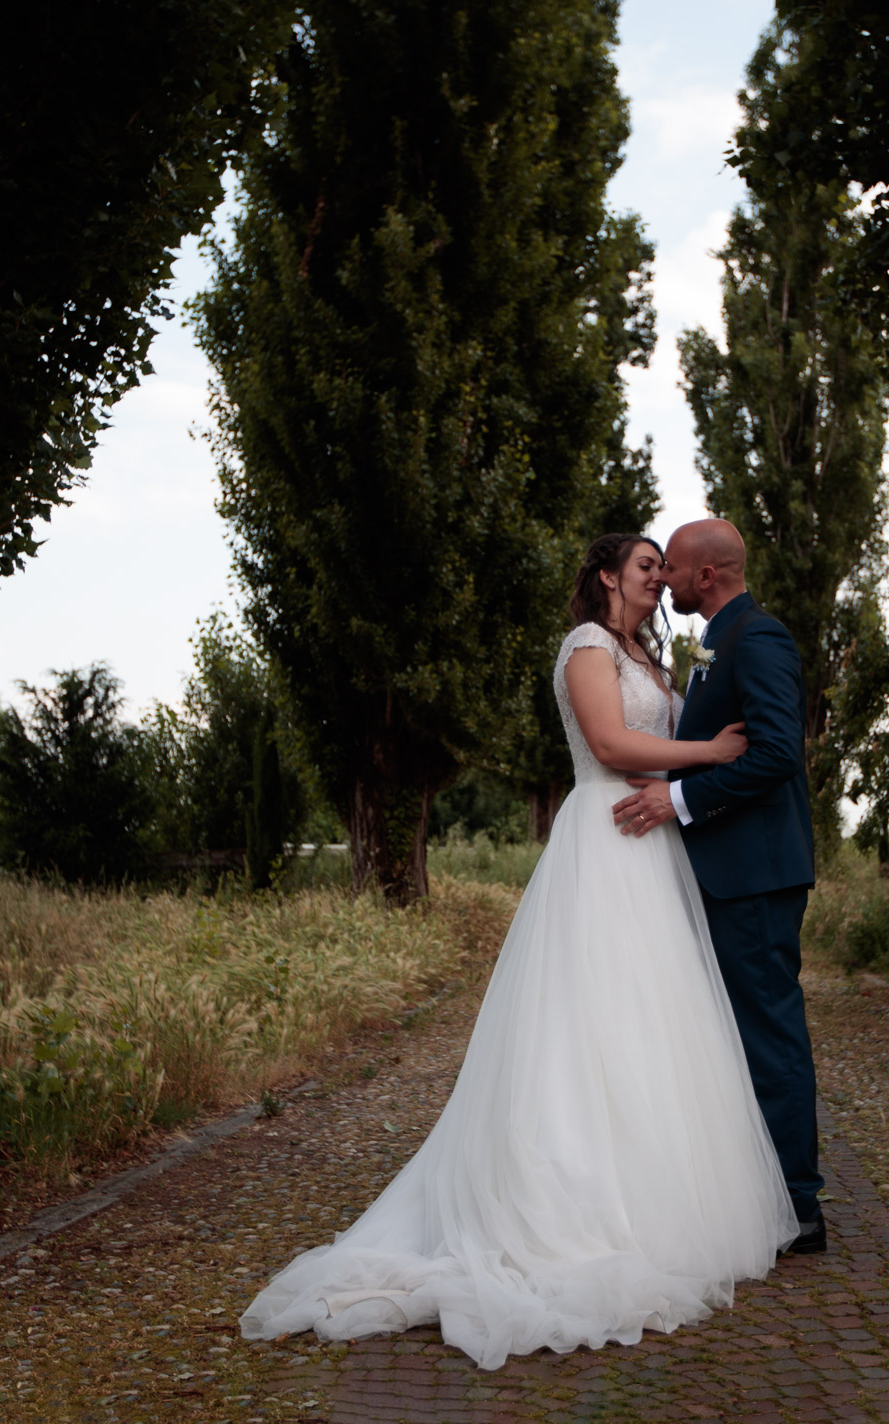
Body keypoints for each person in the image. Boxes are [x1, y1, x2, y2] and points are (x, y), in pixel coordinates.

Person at [239, 533, 797, 1370]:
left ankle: (656, 1202)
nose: (659, 580)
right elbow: (610, 748)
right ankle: (565, 1207)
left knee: (654, 1030)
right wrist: (708, 755)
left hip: (657, 855)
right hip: (604, 843)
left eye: (664, 567)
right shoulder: (584, 647)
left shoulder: (653, 658)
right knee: (588, 1026)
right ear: (609, 576)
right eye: (646, 567)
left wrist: (691, 780)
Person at [610, 518, 824, 1253]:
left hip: (756, 875)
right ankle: (759, 1190)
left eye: (671, 567)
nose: (663, 579)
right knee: (731, 1039)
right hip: (726, 872)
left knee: (769, 1035)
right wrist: (670, 776)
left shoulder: (757, 638)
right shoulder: (713, 642)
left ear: (707, 577)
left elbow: (773, 757)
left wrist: (677, 800)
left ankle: (798, 1207)